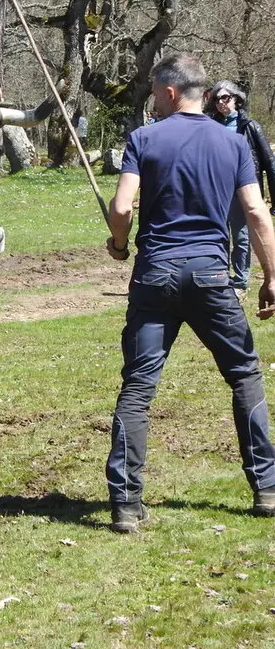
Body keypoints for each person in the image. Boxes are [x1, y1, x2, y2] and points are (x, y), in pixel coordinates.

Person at [105, 53, 275, 534]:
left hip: (155, 275)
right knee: (244, 375)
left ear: (171, 91)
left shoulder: (143, 139)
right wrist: (271, 275)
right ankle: (267, 489)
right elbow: (256, 213)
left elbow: (122, 207)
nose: (153, 101)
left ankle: (125, 504)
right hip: (211, 276)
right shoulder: (232, 143)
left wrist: (119, 242)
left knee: (139, 386)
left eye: (154, 92)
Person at [207, 80, 275, 299]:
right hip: (216, 189)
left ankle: (240, 280)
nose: (221, 102)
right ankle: (220, 276)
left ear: (237, 99)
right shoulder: (209, 125)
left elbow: (269, 163)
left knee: (241, 236)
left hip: (243, 189)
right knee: (218, 234)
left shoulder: (250, 126)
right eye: (217, 99)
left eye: (225, 98)